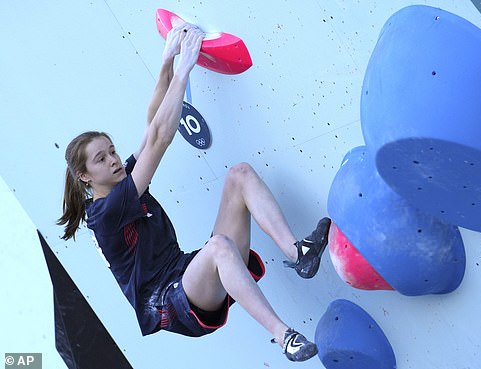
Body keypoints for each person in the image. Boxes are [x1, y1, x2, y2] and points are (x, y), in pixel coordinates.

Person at [57, 23, 331, 362]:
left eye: (112, 150)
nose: (113, 159)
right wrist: (185, 68)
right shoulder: (107, 211)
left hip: (186, 271)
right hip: (169, 301)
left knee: (239, 176)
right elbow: (160, 137)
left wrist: (168, 59)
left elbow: (151, 123)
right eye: (102, 158)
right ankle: (284, 335)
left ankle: (299, 255)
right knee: (218, 248)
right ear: (85, 176)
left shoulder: (122, 182)